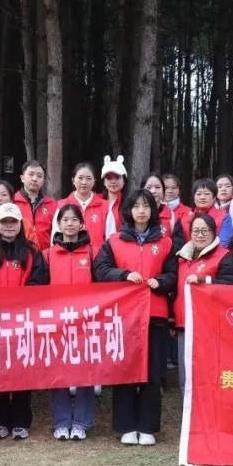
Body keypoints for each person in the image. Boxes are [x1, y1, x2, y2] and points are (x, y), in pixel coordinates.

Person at [94, 189, 178, 446]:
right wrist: (123, 275)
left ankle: (148, 427)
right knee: (126, 370)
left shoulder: (166, 243)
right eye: (136, 206)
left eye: (146, 206)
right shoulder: (114, 241)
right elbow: (101, 269)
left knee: (153, 372)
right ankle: (126, 426)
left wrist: (161, 282)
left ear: (153, 210)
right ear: (128, 210)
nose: (141, 211)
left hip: (155, 314)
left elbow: (174, 274)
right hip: (124, 316)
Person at [0, 203, 47, 440]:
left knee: (22, 369)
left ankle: (21, 421)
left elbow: (38, 283)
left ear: (21, 224)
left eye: (13, 222)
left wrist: (22, 304)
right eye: (4, 222)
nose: (8, 226)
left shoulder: (31, 252)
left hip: (23, 319)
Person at [45, 204, 97, 441]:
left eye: (74, 219)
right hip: (57, 321)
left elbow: (103, 283)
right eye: (65, 219)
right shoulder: (48, 254)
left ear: (81, 224)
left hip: (86, 321)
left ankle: (82, 422)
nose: (69, 224)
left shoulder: (93, 252)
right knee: (59, 372)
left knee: (85, 370)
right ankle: (61, 421)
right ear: (59, 224)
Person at [174, 213, 233, 392]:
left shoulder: (224, 256)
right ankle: (187, 409)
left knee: (209, 375)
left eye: (205, 231)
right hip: (184, 325)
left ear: (214, 232)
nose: (200, 235)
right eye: (196, 231)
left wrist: (205, 281)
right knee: (185, 375)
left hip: (211, 327)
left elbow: (232, 286)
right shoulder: (182, 258)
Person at [56, 162, 109, 247]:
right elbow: (56, 237)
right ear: (73, 180)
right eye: (80, 178)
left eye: (89, 178)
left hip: (98, 254)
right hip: (69, 254)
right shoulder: (62, 205)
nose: (84, 182)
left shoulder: (105, 206)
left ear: (94, 181)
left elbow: (110, 238)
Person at [13, 160, 57, 252]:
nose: (34, 179)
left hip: (45, 255)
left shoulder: (52, 204)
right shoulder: (12, 202)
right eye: (31, 174)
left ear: (43, 181)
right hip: (18, 254)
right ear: (22, 178)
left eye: (39, 176)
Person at [172, 178, 227, 251]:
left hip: (214, 255)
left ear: (214, 198)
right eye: (198, 194)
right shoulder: (184, 219)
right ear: (194, 197)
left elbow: (224, 243)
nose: (202, 197)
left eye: (207, 194)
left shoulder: (224, 217)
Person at [102, 155, 128, 239]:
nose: (113, 181)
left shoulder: (130, 203)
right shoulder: (97, 202)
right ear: (104, 182)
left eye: (117, 177)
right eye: (109, 178)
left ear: (124, 181)